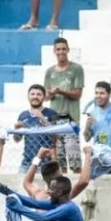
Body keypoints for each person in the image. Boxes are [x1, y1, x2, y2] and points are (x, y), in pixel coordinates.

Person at [44, 38, 84, 173]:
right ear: (54, 51)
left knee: (75, 159)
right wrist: (51, 93)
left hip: (71, 119)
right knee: (59, 160)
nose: (61, 52)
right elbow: (46, 96)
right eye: (58, 49)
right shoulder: (50, 72)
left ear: (68, 50)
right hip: (55, 119)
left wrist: (60, 91)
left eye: (63, 49)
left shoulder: (77, 69)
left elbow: (78, 94)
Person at [15, 85, 59, 173]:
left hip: (46, 162)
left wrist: (43, 119)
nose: (35, 97)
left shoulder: (52, 113)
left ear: (44, 97)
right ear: (28, 96)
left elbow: (56, 137)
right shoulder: (23, 115)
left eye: (39, 94)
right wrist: (16, 129)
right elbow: (17, 139)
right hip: (27, 162)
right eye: (32, 94)